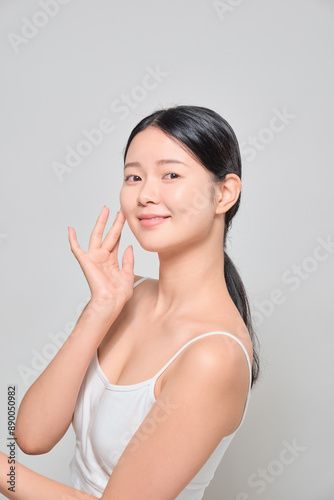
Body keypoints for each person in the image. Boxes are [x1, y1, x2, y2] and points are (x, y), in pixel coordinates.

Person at [0, 105, 260, 499]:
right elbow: (31, 435)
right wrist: (100, 308)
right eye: (133, 177)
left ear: (224, 193)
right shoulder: (128, 295)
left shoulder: (214, 357)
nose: (145, 195)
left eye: (170, 174)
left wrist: (5, 475)